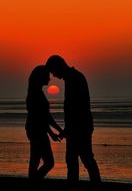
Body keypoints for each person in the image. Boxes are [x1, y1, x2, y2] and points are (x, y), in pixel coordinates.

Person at [46, 55, 101, 186]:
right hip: (80, 126)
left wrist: (69, 129)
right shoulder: (74, 77)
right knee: (79, 159)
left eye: (53, 71)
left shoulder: (73, 79)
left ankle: (85, 185)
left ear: (58, 67)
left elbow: (76, 108)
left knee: (81, 159)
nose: (53, 75)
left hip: (80, 127)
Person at [25, 65, 64, 184]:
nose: (49, 79)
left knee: (36, 161)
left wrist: (58, 130)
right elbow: (41, 118)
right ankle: (34, 182)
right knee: (48, 162)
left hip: (36, 129)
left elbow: (45, 116)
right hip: (36, 130)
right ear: (40, 77)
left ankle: (33, 182)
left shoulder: (37, 93)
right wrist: (53, 132)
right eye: (47, 76)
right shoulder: (35, 94)